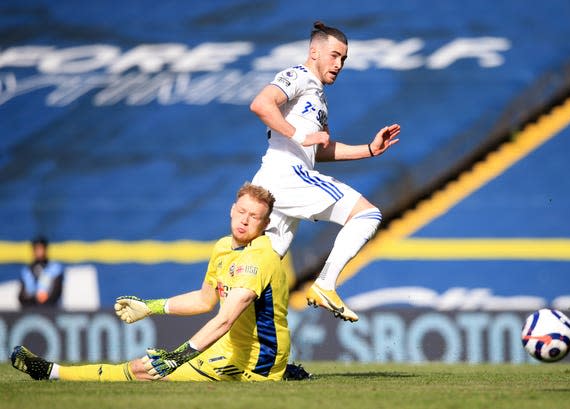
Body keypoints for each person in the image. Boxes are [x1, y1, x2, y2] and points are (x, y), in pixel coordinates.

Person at [11, 183, 307, 382]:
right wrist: (150, 306)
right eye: (241, 211)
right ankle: (52, 371)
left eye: (254, 217)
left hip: (256, 360)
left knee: (145, 370)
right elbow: (205, 300)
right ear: (232, 209)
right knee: (146, 366)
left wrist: (179, 357)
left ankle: (50, 372)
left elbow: (225, 319)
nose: (244, 220)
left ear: (265, 224)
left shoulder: (259, 257)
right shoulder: (222, 247)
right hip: (231, 348)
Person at [250, 21, 401, 322]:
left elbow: (319, 150)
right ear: (314, 51)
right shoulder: (297, 75)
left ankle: (236, 356)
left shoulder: (318, 96)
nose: (339, 64)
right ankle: (325, 285)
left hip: (275, 182)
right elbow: (261, 104)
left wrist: (369, 149)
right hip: (287, 174)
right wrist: (299, 136)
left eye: (343, 59)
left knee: (253, 277)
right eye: (334, 55)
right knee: (366, 215)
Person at [18, 236, 64, 308]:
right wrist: (35, 298)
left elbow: (56, 293)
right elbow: (21, 297)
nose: (39, 252)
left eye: (41, 248)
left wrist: (44, 298)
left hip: (51, 311)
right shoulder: (26, 271)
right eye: (36, 249)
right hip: (30, 311)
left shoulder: (55, 268)